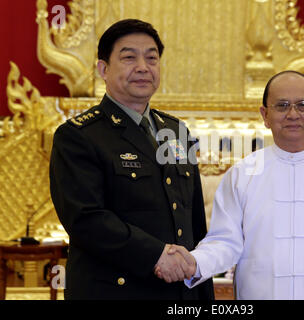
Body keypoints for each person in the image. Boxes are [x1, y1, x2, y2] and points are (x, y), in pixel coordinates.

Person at [159, 70, 304, 300]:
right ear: (265, 115)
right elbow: (224, 243)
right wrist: (193, 262)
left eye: (302, 105)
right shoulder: (242, 175)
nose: (293, 114)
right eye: (282, 106)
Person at [49, 19, 213, 300]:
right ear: (103, 69)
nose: (143, 67)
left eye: (152, 58)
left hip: (179, 293)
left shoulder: (176, 131)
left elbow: (194, 220)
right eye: (128, 57)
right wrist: (155, 255)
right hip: (115, 292)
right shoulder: (78, 136)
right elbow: (86, 219)